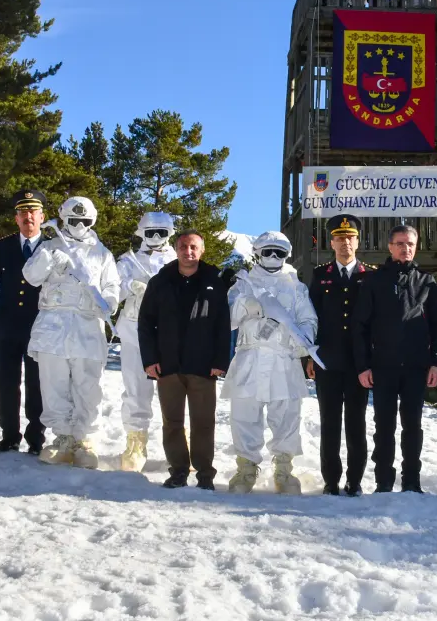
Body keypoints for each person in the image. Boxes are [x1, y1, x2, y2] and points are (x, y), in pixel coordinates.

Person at [24, 196, 120, 468]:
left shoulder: (102, 254)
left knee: (88, 385)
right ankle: (63, 438)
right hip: (53, 326)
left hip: (87, 326)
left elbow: (112, 286)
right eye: (73, 220)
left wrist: (108, 303)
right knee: (53, 384)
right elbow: (31, 277)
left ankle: (84, 439)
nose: (78, 225)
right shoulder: (50, 245)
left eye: (84, 220)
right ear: (63, 219)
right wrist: (49, 260)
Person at [352, 224, 437, 493]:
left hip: (416, 366)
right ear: (390, 247)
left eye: (411, 244)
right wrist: (363, 366)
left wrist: (436, 362)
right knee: (384, 425)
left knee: (412, 425)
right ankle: (383, 481)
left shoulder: (426, 282)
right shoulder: (373, 281)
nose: (406, 248)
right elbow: (360, 327)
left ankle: (412, 481)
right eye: (400, 244)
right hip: (383, 366)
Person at [223, 231, 317, 495]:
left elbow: (308, 319)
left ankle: (284, 470)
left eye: (280, 253)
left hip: (283, 359)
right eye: (268, 252)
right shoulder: (243, 284)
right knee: (244, 416)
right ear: (257, 253)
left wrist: (303, 338)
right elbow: (227, 318)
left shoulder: (296, 287)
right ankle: (245, 468)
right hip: (249, 358)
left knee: (287, 416)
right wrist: (247, 306)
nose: (274, 257)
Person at [138, 229, 231, 489]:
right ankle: (178, 470)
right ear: (176, 249)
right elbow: (145, 322)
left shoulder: (214, 281)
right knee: (172, 422)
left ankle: (204, 474)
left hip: (202, 365)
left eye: (193, 247)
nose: (188, 252)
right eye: (183, 247)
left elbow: (223, 325)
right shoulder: (160, 281)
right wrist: (150, 359)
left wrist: (220, 361)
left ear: (201, 251)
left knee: (203, 422)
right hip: (168, 365)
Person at [307, 214, 371, 496]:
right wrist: (310, 355)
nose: (345, 242)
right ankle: (331, 480)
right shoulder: (321, 275)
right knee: (329, 423)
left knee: (356, 423)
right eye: (340, 238)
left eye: (350, 237)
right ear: (331, 242)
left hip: (359, 364)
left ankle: (354, 480)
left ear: (358, 241)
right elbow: (312, 318)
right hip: (328, 361)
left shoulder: (370, 275)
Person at [114, 211, 177, 472]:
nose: (155, 238)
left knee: (174, 391)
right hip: (134, 331)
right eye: (150, 233)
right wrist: (131, 285)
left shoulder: (178, 259)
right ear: (141, 233)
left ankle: (177, 445)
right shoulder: (128, 262)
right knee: (136, 390)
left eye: (161, 233)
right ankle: (136, 441)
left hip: (170, 334)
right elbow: (112, 292)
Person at [0, 189, 49, 454]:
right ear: (16, 218)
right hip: (8, 325)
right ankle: (9, 435)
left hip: (39, 325)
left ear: (42, 216)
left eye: (33, 212)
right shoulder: (2, 247)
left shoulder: (52, 246)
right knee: (5, 382)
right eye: (23, 212)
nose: (28, 217)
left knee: (36, 383)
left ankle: (36, 437)